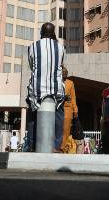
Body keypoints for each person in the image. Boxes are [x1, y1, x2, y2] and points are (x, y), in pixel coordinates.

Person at [25, 22, 66, 152]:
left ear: (41, 33)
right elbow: (61, 65)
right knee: (59, 116)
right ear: (53, 33)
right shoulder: (60, 47)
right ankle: (56, 146)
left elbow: (32, 66)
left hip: (37, 90)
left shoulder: (33, 46)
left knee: (32, 116)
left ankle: (32, 145)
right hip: (56, 90)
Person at [60, 66, 79, 152]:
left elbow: (73, 97)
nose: (65, 74)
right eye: (63, 73)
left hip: (68, 108)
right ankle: (57, 146)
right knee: (58, 128)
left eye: (66, 73)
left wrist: (75, 110)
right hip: (58, 108)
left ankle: (62, 147)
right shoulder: (56, 82)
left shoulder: (70, 83)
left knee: (66, 129)